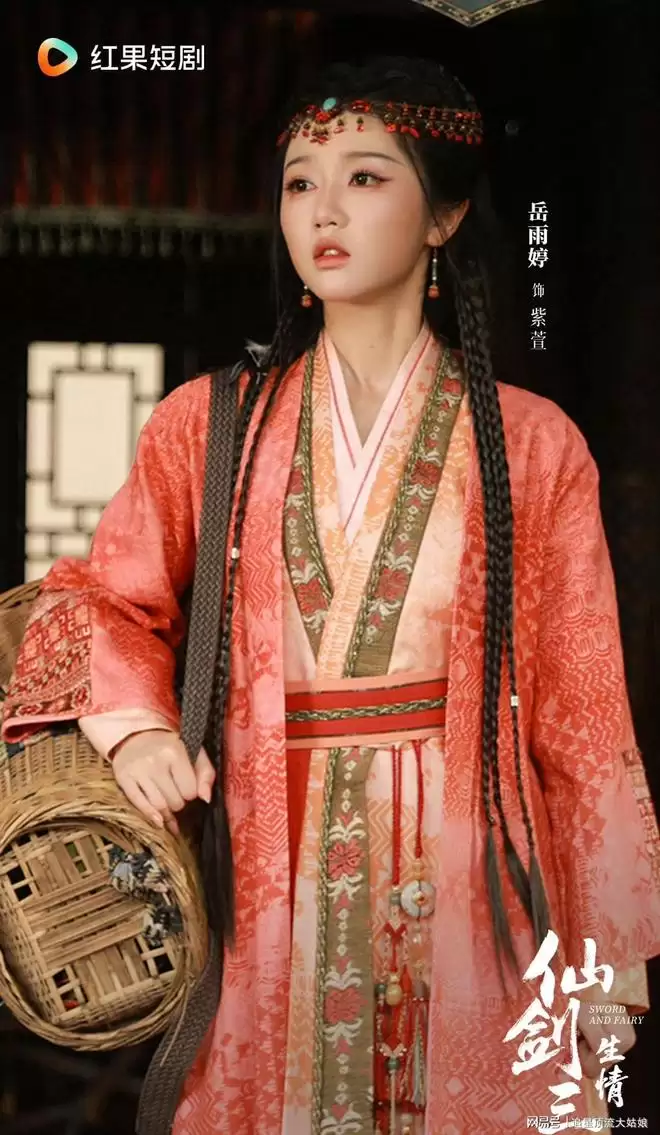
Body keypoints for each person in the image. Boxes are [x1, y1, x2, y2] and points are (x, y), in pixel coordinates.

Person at [3, 55, 660, 1135]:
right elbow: (96, 595)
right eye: (301, 182)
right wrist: (138, 728)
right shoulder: (208, 423)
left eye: (365, 177)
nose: (323, 210)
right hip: (267, 864)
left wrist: (603, 961)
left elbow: (583, 720)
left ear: (444, 214)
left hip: (475, 884)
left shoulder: (534, 445)